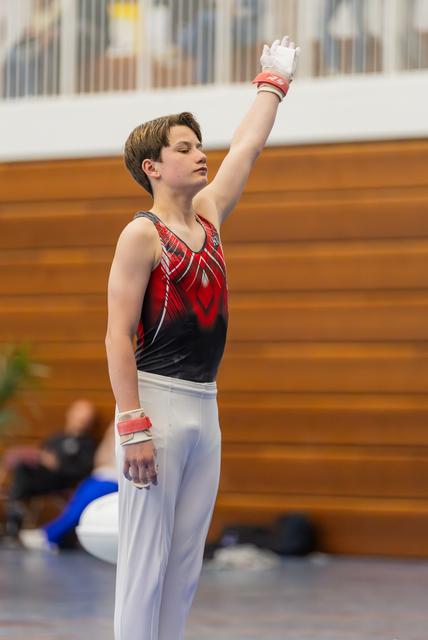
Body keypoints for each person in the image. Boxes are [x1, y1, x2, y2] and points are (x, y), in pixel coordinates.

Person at [105, 35, 300, 640]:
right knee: (145, 564)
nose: (200, 156)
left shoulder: (211, 214)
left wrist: (272, 83)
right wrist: (131, 421)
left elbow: (248, 145)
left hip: (204, 406)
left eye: (198, 146)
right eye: (184, 148)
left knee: (185, 563)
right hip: (155, 404)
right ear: (153, 168)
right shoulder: (142, 236)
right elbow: (116, 334)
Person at [1, 399, 97, 538]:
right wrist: (44, 460)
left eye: (86, 416)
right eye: (79, 415)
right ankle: (16, 507)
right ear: (70, 415)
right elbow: (43, 454)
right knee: (23, 469)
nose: (82, 419)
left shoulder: (87, 444)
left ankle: (16, 508)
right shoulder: (57, 437)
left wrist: (58, 465)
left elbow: (83, 470)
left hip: (64, 480)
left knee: (23, 479)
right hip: (43, 478)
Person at [19, 422, 117, 552]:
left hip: (116, 480)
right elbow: (100, 460)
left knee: (85, 502)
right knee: (78, 502)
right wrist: (110, 437)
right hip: (101, 475)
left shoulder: (87, 442)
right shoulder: (114, 427)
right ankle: (52, 534)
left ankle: (49, 535)